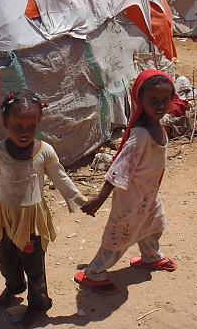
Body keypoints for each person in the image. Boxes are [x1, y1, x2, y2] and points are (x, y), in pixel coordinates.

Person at [0, 89, 87, 326]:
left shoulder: (44, 151)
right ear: (5, 122)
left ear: (39, 123)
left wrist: (83, 201)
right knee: (7, 260)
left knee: (34, 264)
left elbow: (61, 178)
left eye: (30, 126)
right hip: (7, 216)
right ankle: (14, 286)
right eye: (17, 126)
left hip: (32, 219)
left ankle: (38, 305)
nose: (24, 132)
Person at [74, 69, 178, 295]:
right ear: (139, 100)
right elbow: (119, 167)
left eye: (164, 100)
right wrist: (100, 199)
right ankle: (95, 273)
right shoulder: (140, 135)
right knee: (120, 236)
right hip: (131, 198)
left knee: (154, 225)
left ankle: (150, 256)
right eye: (153, 100)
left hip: (148, 194)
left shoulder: (157, 125)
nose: (160, 105)